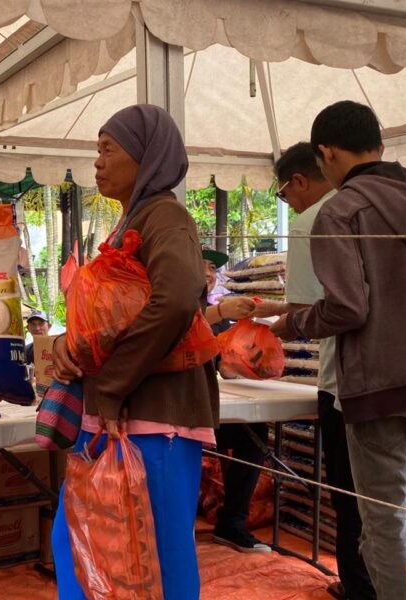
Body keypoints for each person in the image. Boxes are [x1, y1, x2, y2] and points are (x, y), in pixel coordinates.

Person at [50, 105, 219, 600]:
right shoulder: (134, 219)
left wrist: (111, 382)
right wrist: (68, 345)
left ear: (145, 157)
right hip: (124, 418)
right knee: (81, 545)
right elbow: (113, 316)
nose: (97, 162)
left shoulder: (165, 216)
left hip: (155, 421)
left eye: (107, 149)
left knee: (159, 559)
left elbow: (177, 297)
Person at [271, 101, 406, 600]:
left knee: (383, 523)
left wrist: (291, 324)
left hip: (377, 387)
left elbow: (347, 309)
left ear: (327, 153)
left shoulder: (340, 209)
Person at [259, 142, 375, 599]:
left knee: (354, 498)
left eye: (286, 196)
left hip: (348, 383)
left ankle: (360, 587)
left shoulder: (317, 220)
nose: (292, 205)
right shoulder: (402, 207)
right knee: (403, 504)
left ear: (302, 180)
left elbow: (315, 310)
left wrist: (280, 325)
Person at [200, 247, 270, 553]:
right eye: (200, 266)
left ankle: (232, 523)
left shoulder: (224, 324)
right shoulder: (170, 311)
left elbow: (228, 371)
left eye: (212, 269)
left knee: (253, 435)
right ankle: (173, 527)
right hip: (172, 413)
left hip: (212, 411)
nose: (207, 273)